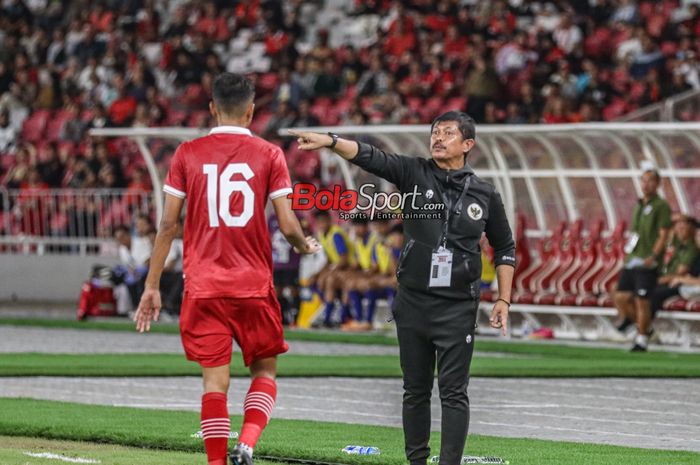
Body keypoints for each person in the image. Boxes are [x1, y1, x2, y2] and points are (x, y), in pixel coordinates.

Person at [290, 111, 515, 465]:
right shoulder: (413, 172)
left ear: (468, 144)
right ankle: (416, 462)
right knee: (415, 391)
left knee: (454, 393)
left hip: (458, 305)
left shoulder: (485, 194)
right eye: (435, 131)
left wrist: (503, 298)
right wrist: (331, 142)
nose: (438, 138)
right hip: (412, 302)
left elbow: (505, 248)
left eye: (448, 133)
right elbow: (370, 156)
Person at [134, 73, 320, 465]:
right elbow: (288, 225)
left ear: (212, 108)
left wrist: (151, 286)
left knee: (214, 385)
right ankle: (248, 444)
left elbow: (168, 225)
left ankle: (217, 463)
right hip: (252, 285)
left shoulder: (187, 153)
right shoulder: (270, 154)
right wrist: (304, 244)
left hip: (203, 286)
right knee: (265, 372)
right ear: (252, 111)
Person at [613, 168, 672, 352]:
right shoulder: (638, 205)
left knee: (642, 300)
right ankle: (643, 327)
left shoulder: (661, 206)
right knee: (621, 295)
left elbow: (664, 234)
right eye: (643, 181)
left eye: (650, 181)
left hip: (648, 262)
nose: (646, 184)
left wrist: (653, 256)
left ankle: (642, 339)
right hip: (633, 259)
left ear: (658, 184)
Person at [648, 215, 699, 319]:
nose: (698, 239)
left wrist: (682, 279)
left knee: (655, 293)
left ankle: (645, 326)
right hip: (687, 286)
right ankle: (641, 325)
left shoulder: (691, 249)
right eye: (698, 236)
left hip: (689, 287)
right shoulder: (684, 248)